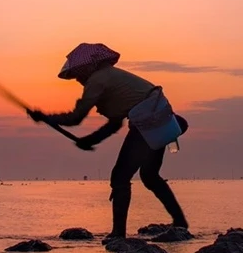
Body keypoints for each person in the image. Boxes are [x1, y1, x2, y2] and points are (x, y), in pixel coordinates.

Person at [29, 43, 188, 240]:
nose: (78, 79)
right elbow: (114, 124)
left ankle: (118, 234)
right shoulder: (112, 76)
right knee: (149, 175)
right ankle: (180, 223)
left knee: (120, 177)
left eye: (78, 74)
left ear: (87, 68)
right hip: (161, 121)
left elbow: (75, 118)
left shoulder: (97, 80)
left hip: (148, 125)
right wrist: (91, 140)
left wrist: (45, 117)